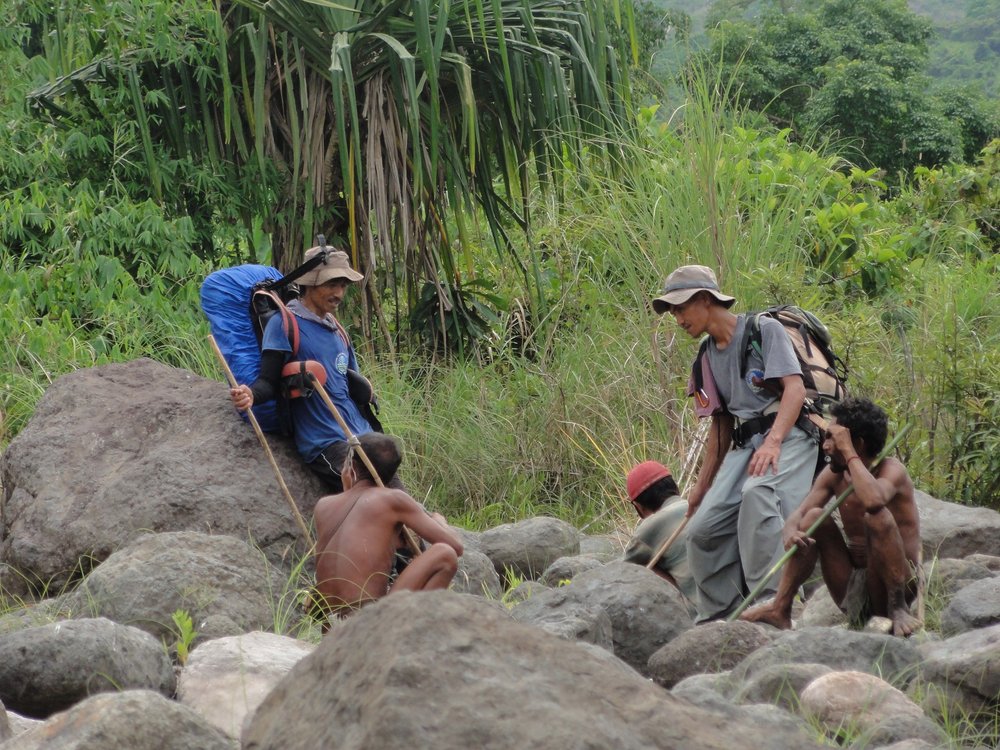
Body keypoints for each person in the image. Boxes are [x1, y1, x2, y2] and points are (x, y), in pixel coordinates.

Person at [652, 264, 819, 622]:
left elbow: (795, 388)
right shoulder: (705, 359)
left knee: (757, 495)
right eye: (673, 312)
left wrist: (773, 443)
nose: (678, 319)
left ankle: (772, 601)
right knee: (701, 529)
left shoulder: (764, 329)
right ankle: (719, 618)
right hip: (746, 445)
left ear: (704, 299)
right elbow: (720, 427)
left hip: (788, 434)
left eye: (680, 308)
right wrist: (700, 488)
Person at [741, 398, 921, 637]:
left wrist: (847, 452)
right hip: (855, 590)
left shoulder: (891, 470)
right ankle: (780, 608)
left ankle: (898, 611)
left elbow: (874, 501)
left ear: (856, 443)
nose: (825, 446)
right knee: (814, 517)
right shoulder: (834, 474)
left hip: (897, 587)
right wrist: (791, 532)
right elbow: (800, 514)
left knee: (876, 517)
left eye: (831, 439)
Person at [230, 245, 394, 492]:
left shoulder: (338, 331)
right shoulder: (285, 323)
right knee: (374, 495)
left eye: (343, 286)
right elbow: (268, 381)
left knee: (401, 500)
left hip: (364, 436)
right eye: (331, 285)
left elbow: (349, 383)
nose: (339, 293)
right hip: (326, 442)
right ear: (310, 284)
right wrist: (250, 395)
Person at [312, 433, 464, 628]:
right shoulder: (392, 499)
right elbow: (457, 546)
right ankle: (414, 635)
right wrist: (440, 521)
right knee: (445, 554)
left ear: (351, 467)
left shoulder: (323, 506)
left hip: (330, 625)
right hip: (367, 621)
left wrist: (347, 484)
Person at [621, 461, 697, 605]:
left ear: (639, 507)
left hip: (699, 614)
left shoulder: (649, 528)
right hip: (738, 602)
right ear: (675, 487)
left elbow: (623, 573)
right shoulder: (703, 505)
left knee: (642, 566)